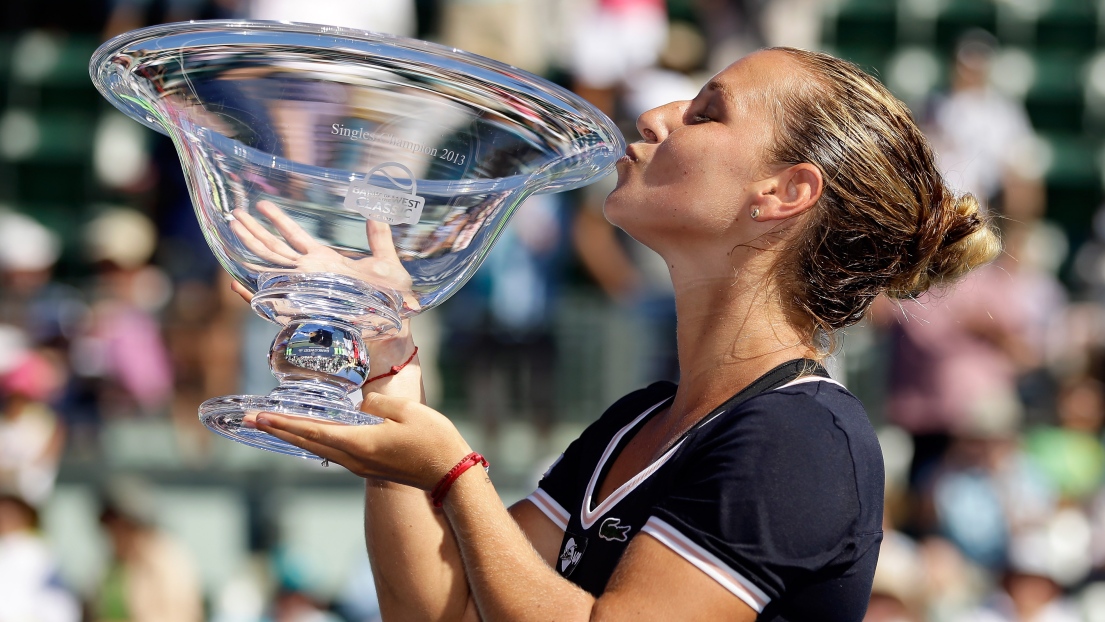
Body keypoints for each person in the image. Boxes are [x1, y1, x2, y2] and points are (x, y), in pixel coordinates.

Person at [232, 47, 1001, 620]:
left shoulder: (802, 438)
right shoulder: (636, 421)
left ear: (784, 192)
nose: (654, 116)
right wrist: (387, 379)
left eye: (704, 112)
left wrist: (452, 476)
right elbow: (446, 612)